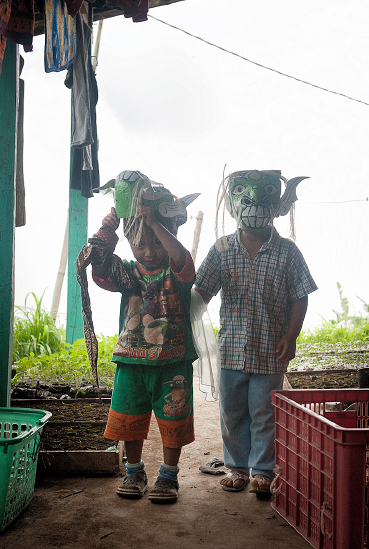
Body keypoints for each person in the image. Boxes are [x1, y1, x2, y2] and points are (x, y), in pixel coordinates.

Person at [194, 169, 316, 495]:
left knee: (264, 413)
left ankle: (262, 471)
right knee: (232, 413)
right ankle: (236, 468)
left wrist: (291, 336)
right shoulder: (220, 251)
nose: (254, 202)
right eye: (243, 194)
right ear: (233, 206)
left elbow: (299, 296)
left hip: (271, 351)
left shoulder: (288, 252)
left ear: (278, 205)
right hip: (231, 352)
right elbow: (201, 295)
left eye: (265, 194)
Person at [87, 173, 199, 504]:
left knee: (172, 418)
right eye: (140, 244)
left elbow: (185, 262)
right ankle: (134, 471)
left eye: (154, 243)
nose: (148, 252)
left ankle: (168, 476)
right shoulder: (128, 271)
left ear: (169, 237)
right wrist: (108, 229)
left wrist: (154, 223)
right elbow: (99, 271)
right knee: (129, 418)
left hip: (172, 362)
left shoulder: (176, 272)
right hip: (130, 360)